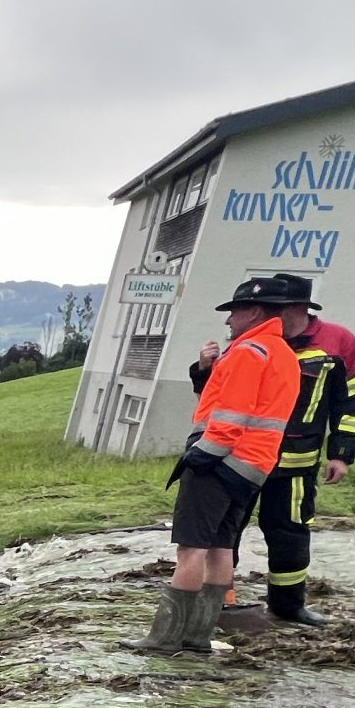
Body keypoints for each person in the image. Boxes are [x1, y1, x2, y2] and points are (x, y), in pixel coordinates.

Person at [134, 276, 300, 655]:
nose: (228, 321)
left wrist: (202, 455)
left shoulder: (248, 352)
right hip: (254, 466)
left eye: (235, 312)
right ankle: (197, 637)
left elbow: (231, 415)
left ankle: (163, 638)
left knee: (191, 549)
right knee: (221, 547)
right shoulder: (282, 354)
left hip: (221, 462)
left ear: (255, 311)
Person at [192, 273, 355, 625]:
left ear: (297, 309)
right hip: (241, 460)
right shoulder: (253, 342)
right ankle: (221, 603)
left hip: (294, 463)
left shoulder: (338, 342)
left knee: (289, 531)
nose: (267, 316)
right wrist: (202, 370)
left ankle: (288, 605)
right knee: (226, 531)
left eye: (276, 309)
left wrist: (341, 453)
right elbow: (223, 395)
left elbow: (350, 403)